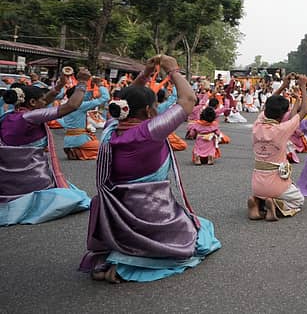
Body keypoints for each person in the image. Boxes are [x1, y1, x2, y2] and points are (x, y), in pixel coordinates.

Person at [80, 55, 220, 283]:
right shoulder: (151, 131)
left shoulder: (111, 127)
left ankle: (119, 257)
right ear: (148, 110)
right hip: (151, 215)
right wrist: (173, 69)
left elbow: (127, 98)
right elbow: (189, 99)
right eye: (155, 106)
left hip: (116, 216)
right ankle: (125, 267)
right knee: (201, 233)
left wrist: (146, 74)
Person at [0, 71, 93, 226]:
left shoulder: (9, 115)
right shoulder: (30, 117)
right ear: (32, 103)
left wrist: (59, 86)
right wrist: (82, 82)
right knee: (77, 197)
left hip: (7, 181)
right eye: (43, 100)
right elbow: (71, 105)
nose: (47, 102)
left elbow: (43, 103)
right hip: (29, 179)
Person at [250, 74, 307, 221]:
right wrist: (303, 86)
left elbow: (265, 107)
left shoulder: (257, 126)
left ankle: (257, 203)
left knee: (264, 192)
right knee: (298, 200)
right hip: (276, 184)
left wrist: (282, 86)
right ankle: (275, 205)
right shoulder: (282, 129)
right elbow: (304, 111)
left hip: (256, 184)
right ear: (283, 115)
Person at [60, 78, 110, 160]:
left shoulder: (66, 104)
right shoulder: (81, 106)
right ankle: (78, 151)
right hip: (80, 140)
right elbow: (105, 98)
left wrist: (91, 86)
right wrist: (100, 85)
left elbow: (85, 98)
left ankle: (77, 151)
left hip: (68, 141)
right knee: (106, 148)